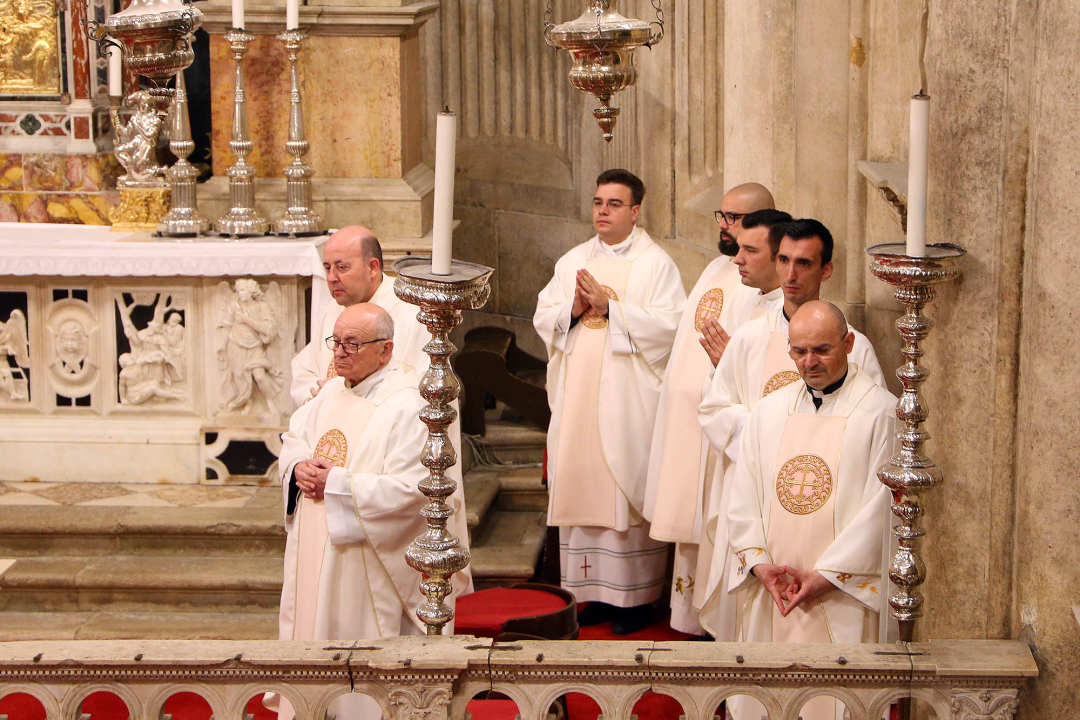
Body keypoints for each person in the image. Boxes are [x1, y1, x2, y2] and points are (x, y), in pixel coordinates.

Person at [273, 303, 471, 720]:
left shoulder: (407, 405)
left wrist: (339, 485)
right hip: (313, 546)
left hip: (361, 567)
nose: (339, 354)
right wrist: (298, 467)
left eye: (352, 344)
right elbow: (293, 437)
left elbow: (415, 491)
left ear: (385, 351)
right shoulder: (329, 392)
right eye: (336, 342)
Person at [695, 218, 885, 641]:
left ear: (826, 269)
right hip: (764, 504)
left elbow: (873, 440)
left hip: (831, 530)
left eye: (804, 263)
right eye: (783, 260)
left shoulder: (861, 350)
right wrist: (772, 434)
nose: (792, 274)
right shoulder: (747, 338)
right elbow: (713, 410)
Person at [723, 301, 895, 720]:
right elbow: (743, 490)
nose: (810, 362)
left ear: (849, 343)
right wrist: (760, 564)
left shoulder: (882, 412)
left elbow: (884, 506)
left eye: (821, 349)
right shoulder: (768, 410)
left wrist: (826, 577)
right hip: (775, 589)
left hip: (841, 593)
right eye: (799, 351)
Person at [534, 168, 686, 634]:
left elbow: (671, 327)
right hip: (578, 397)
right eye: (598, 202)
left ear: (635, 211)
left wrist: (611, 307)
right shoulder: (573, 260)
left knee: (624, 489)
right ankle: (591, 595)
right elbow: (544, 315)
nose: (602, 211)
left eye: (614, 204)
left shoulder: (656, 264)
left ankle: (635, 602)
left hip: (627, 401)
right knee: (582, 483)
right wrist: (575, 310)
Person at [643, 190, 788, 636]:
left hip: (730, 434)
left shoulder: (771, 299)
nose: (727, 226)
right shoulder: (714, 268)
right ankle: (691, 622)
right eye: (723, 215)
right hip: (696, 422)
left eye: (738, 219)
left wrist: (729, 367)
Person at [290, 226, 427, 407]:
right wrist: (316, 397)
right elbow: (304, 370)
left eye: (341, 267)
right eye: (327, 268)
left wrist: (338, 397)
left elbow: (413, 390)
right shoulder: (334, 310)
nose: (331, 278)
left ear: (372, 268)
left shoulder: (411, 314)